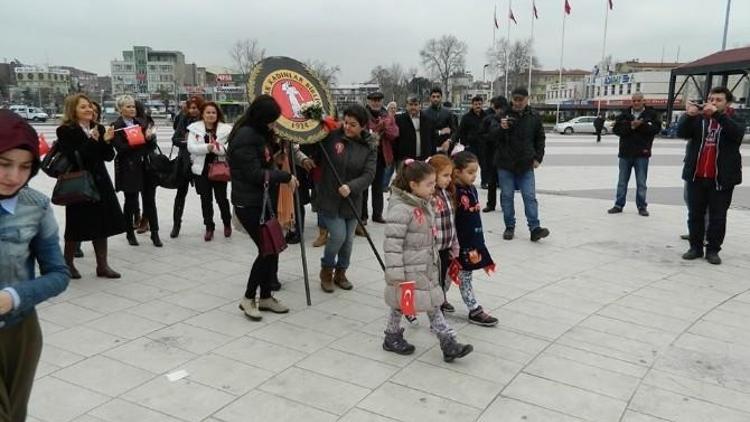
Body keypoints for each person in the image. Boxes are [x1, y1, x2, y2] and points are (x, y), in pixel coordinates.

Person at [0, 110, 70, 421]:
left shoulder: (35, 206)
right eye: (4, 164)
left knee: (14, 415)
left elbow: (58, 275)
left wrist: (14, 296)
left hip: (20, 330)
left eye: (25, 167)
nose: (14, 176)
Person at [382, 159, 473, 361]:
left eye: (434, 183)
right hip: (407, 270)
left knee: (432, 303)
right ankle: (392, 335)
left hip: (425, 266)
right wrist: (396, 273)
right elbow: (393, 244)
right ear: (413, 185)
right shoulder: (401, 209)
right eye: (429, 185)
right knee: (402, 305)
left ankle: (448, 343)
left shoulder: (423, 204)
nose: (434, 189)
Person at [228, 95, 296, 320]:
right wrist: (284, 176)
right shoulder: (245, 136)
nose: (274, 125)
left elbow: (264, 160)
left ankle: (266, 297)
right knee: (266, 250)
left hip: (263, 200)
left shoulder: (258, 134)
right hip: (248, 203)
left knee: (273, 246)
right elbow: (253, 174)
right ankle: (248, 298)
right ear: (261, 118)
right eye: (271, 121)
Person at [56, 94, 127, 279]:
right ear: (73, 111)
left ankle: (102, 265)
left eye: (89, 106)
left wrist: (107, 140)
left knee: (102, 224)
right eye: (83, 107)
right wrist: (93, 141)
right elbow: (77, 157)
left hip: (100, 182)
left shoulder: (99, 127)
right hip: (79, 183)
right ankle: (67, 263)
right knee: (75, 225)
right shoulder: (65, 131)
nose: (89, 110)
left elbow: (108, 156)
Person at [678, 87, 745, 265]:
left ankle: (713, 250)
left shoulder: (734, 118)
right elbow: (681, 133)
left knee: (718, 217)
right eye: (711, 99)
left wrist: (717, 115)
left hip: (721, 177)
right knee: (695, 214)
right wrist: (688, 115)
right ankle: (695, 247)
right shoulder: (699, 119)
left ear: (727, 103)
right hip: (697, 176)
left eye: (718, 100)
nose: (713, 103)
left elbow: (737, 135)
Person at [317, 104, 377, 293]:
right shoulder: (332, 136)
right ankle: (326, 270)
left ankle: (341, 272)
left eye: (353, 124)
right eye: (346, 122)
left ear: (362, 127)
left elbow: (369, 175)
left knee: (348, 241)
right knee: (338, 236)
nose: (347, 127)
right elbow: (311, 143)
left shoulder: (369, 147)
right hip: (329, 197)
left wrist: (351, 187)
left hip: (352, 200)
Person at [452, 151, 499, 326]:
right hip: (458, 243)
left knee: (461, 275)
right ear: (457, 172)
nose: (474, 176)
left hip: (473, 240)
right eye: (470, 172)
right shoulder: (453, 191)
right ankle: (474, 309)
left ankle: (442, 300)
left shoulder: (471, 189)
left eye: (476, 172)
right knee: (459, 275)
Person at [496, 87, 550, 242]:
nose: (518, 102)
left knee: (529, 196)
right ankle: (509, 227)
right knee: (507, 196)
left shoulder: (534, 116)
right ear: (511, 99)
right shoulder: (502, 115)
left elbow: (540, 138)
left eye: (521, 99)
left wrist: (538, 158)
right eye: (515, 99)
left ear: (527, 99)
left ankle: (535, 228)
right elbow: (490, 136)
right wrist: (501, 128)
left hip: (526, 164)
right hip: (505, 164)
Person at [112, 95, 162, 247]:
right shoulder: (116, 126)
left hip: (146, 166)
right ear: (120, 109)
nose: (132, 109)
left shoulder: (142, 122)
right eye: (128, 106)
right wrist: (137, 142)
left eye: (133, 106)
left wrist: (148, 138)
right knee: (131, 202)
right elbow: (120, 148)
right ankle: (129, 233)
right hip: (129, 168)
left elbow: (151, 146)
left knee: (150, 201)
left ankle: (155, 233)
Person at [607, 92, 661, 217]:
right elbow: (617, 130)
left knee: (641, 182)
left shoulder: (651, 114)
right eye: (634, 101)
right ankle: (618, 204)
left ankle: (642, 206)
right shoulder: (624, 114)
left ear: (643, 101)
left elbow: (656, 129)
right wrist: (631, 126)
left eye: (638, 100)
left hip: (642, 153)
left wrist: (641, 126)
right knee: (622, 181)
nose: (636, 103)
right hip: (625, 153)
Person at [187, 102, 232, 241]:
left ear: (217, 114)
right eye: (208, 112)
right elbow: (191, 148)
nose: (211, 115)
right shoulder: (194, 129)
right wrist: (208, 147)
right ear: (203, 114)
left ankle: (226, 223)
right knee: (205, 200)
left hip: (219, 169)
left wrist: (216, 149)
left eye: (213, 112)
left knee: (221, 199)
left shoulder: (226, 130)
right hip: (201, 170)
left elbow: (227, 149)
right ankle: (209, 227)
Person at [360, 91, 399, 228]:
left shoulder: (387, 116)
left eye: (378, 100)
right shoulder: (362, 115)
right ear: (369, 101)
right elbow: (361, 133)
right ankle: (362, 216)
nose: (376, 102)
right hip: (365, 157)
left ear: (382, 101)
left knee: (378, 187)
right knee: (363, 187)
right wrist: (379, 129)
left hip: (382, 156)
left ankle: (377, 214)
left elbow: (394, 133)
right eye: (373, 100)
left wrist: (382, 129)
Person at [427, 154, 459, 313]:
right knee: (435, 278)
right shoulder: (429, 195)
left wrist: (455, 243)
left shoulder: (447, 193)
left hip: (446, 244)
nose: (449, 179)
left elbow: (451, 221)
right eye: (445, 175)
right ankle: (436, 307)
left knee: (444, 276)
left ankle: (442, 298)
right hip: (434, 247)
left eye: (450, 175)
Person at [170, 96, 203, 238]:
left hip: (201, 162)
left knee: (205, 194)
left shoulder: (206, 120)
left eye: (195, 108)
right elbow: (175, 139)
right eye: (190, 108)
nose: (193, 110)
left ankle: (209, 224)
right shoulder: (184, 119)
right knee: (180, 194)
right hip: (184, 162)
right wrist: (189, 143)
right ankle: (176, 224)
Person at [479, 96, 508, 212]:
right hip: (490, 153)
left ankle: (505, 205)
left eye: (502, 109)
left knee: (504, 182)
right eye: (498, 109)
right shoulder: (488, 119)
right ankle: (491, 204)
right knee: (491, 181)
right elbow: (481, 135)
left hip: (505, 155)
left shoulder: (509, 119)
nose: (500, 111)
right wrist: (490, 137)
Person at [394, 95, 435, 162]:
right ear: (406, 106)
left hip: (424, 159)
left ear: (420, 106)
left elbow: (433, 139)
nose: (413, 107)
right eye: (411, 104)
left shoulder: (428, 120)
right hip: (406, 160)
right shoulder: (399, 120)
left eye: (415, 105)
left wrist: (431, 155)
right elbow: (395, 141)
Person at [423, 88, 456, 154]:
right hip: (429, 148)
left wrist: (449, 141)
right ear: (430, 98)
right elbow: (424, 132)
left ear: (441, 98)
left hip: (445, 148)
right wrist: (440, 132)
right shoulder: (424, 113)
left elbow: (454, 131)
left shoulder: (448, 113)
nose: (436, 99)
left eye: (438, 97)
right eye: (433, 97)